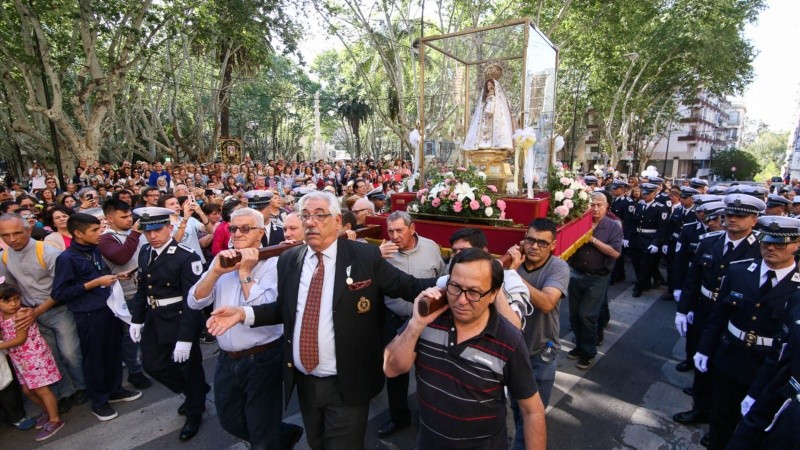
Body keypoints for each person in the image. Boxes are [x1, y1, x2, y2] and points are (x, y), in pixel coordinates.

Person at [205, 191, 437, 450]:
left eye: (319, 215)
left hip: (347, 383)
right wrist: (243, 313)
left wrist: (452, 282)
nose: (310, 222)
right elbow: (285, 310)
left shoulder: (364, 257)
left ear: (337, 221)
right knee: (316, 444)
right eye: (305, 216)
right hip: (305, 382)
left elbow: (410, 286)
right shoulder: (290, 260)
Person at [383, 248, 546, 449]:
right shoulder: (427, 321)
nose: (461, 300)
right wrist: (415, 325)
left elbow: (532, 410)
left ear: (494, 294)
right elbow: (391, 369)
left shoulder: (508, 339)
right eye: (455, 287)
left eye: (474, 292)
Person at [188, 208, 304, 449]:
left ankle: (272, 439)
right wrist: (216, 272)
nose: (237, 233)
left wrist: (244, 272)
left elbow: (267, 309)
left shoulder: (276, 263)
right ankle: (283, 435)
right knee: (229, 420)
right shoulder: (223, 259)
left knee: (261, 428)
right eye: (233, 228)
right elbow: (195, 300)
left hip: (262, 357)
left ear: (260, 233)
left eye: (245, 228)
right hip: (227, 358)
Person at [693, 215, 800, 450]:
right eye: (765, 241)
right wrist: (704, 349)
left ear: (797, 244)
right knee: (721, 414)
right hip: (729, 354)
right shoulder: (739, 271)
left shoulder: (797, 287)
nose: (770, 247)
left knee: (753, 427)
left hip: (767, 366)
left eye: (779, 243)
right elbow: (719, 315)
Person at [673, 194, 765, 447]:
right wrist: (683, 308)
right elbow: (694, 278)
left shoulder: (761, 249)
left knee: (727, 373)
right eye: (729, 214)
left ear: (754, 220)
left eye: (740, 216)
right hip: (704, 309)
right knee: (700, 361)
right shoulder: (710, 241)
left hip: (736, 317)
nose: (732, 219)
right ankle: (700, 408)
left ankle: (724, 423)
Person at [127, 207, 209, 441]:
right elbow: (144, 287)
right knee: (153, 365)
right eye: (147, 231)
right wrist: (137, 319)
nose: (152, 236)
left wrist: (185, 338)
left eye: (157, 230)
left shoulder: (185, 256)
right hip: (155, 318)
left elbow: (192, 301)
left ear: (169, 228)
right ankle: (195, 392)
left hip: (180, 318)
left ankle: (195, 410)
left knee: (189, 368)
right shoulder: (145, 251)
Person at [51, 213, 142, 421]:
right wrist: (93, 284)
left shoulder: (93, 250)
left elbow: (97, 276)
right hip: (88, 316)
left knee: (112, 353)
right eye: (94, 230)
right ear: (78, 233)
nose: (99, 233)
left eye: (99, 228)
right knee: (95, 359)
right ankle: (99, 401)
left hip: (109, 310)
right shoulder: (66, 258)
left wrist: (117, 277)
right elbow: (59, 294)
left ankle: (115, 390)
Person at [0, 213, 87, 414]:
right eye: (5, 235)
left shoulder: (48, 252)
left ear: (28, 230)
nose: (12, 239)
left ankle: (82, 387)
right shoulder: (5, 256)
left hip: (59, 310)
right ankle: (66, 392)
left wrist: (37, 310)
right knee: (52, 356)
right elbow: (9, 290)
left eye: (16, 233)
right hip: (31, 316)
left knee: (70, 352)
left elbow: (65, 288)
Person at [375, 211, 445, 438]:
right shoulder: (382, 254)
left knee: (430, 371)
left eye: (399, 230)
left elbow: (442, 277)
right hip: (394, 320)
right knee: (395, 373)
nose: (394, 236)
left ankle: (432, 418)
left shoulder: (431, 247)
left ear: (412, 228)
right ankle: (399, 417)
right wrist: (374, 258)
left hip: (428, 324)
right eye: (390, 231)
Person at [98, 200, 152, 390]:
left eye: (130, 216)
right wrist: (136, 233)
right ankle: (134, 370)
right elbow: (121, 257)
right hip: (128, 293)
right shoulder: (106, 239)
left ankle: (148, 363)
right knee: (132, 334)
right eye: (124, 217)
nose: (129, 220)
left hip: (144, 288)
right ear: (109, 219)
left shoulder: (131, 233)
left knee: (146, 330)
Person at [0, 283, 65, 441]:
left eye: (16, 299)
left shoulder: (21, 314)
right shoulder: (2, 316)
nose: (14, 304)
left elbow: (20, 339)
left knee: (42, 390)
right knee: (28, 391)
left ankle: (55, 420)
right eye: (7, 301)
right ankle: (49, 412)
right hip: (21, 361)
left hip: (34, 357)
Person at [566, 192, 623, 370]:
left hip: (598, 277)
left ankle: (588, 352)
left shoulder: (613, 226)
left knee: (587, 315)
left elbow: (615, 252)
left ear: (606, 207)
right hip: (576, 274)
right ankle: (579, 345)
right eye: (592, 205)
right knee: (574, 314)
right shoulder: (579, 222)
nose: (595, 209)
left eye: (599, 205)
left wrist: (591, 239)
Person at [625, 182, 669, 297]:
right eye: (644, 193)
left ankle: (639, 287)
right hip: (637, 238)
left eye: (648, 193)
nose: (645, 195)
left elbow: (661, 228)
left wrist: (656, 243)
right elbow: (633, 223)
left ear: (654, 193)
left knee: (645, 265)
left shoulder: (660, 208)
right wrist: (627, 238)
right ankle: (644, 283)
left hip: (649, 239)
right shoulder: (639, 205)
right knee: (636, 263)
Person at [462, 75, 514, 150]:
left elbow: (498, 109)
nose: (489, 86)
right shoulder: (485, 96)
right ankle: (482, 143)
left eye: (491, 85)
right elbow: (482, 107)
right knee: (484, 130)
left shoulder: (497, 98)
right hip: (485, 117)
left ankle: (494, 143)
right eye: (488, 85)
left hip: (493, 117)